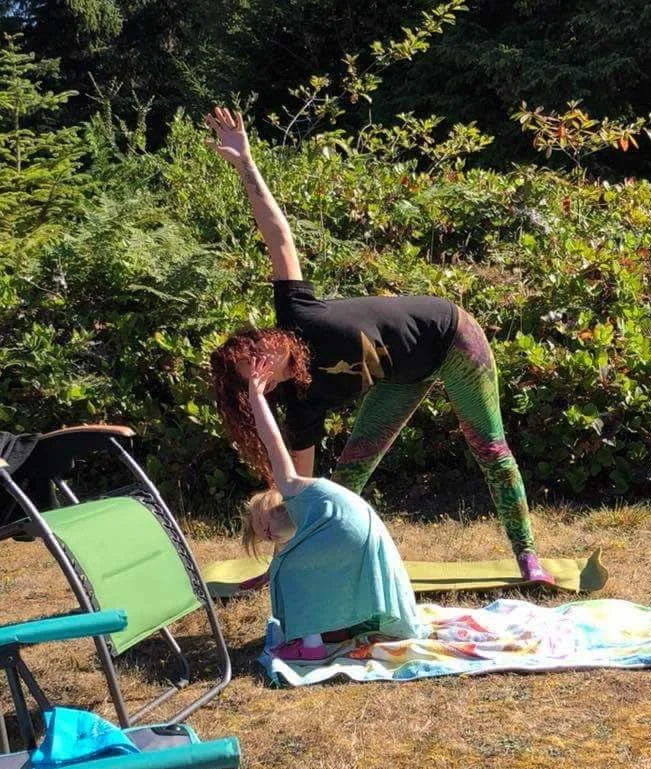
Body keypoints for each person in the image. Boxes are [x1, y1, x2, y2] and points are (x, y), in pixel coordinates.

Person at [206, 105, 553, 585]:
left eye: (258, 348)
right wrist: (278, 553)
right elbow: (302, 493)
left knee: (488, 446)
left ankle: (528, 558)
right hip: (401, 379)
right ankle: (296, 567)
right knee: (346, 479)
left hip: (451, 337)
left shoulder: (296, 315)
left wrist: (246, 162)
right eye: (257, 371)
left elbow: (277, 234)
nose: (265, 358)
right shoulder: (301, 408)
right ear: (262, 386)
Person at [240, 354, 422, 663]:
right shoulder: (307, 523)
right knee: (292, 566)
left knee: (289, 569)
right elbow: (283, 546)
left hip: (349, 531)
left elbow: (271, 440)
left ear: (276, 503)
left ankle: (308, 643)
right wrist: (268, 569)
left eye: (263, 522)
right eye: (264, 537)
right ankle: (341, 629)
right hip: (363, 532)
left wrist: (256, 397)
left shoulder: (290, 485)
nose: (267, 534)